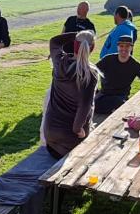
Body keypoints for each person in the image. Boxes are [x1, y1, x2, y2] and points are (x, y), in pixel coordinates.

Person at [42, 30, 100, 158]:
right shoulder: (90, 74)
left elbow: (55, 41)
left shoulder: (59, 62)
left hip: (51, 136)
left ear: (74, 45)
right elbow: (85, 106)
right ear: (92, 48)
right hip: (71, 140)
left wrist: (77, 36)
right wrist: (78, 129)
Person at [95, 34, 140, 116]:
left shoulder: (134, 64)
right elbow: (92, 72)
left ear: (131, 48)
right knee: (92, 105)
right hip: (104, 95)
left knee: (119, 105)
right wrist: (95, 90)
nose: (124, 49)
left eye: (127, 46)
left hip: (120, 97)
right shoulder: (108, 59)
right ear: (117, 47)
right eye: (121, 46)